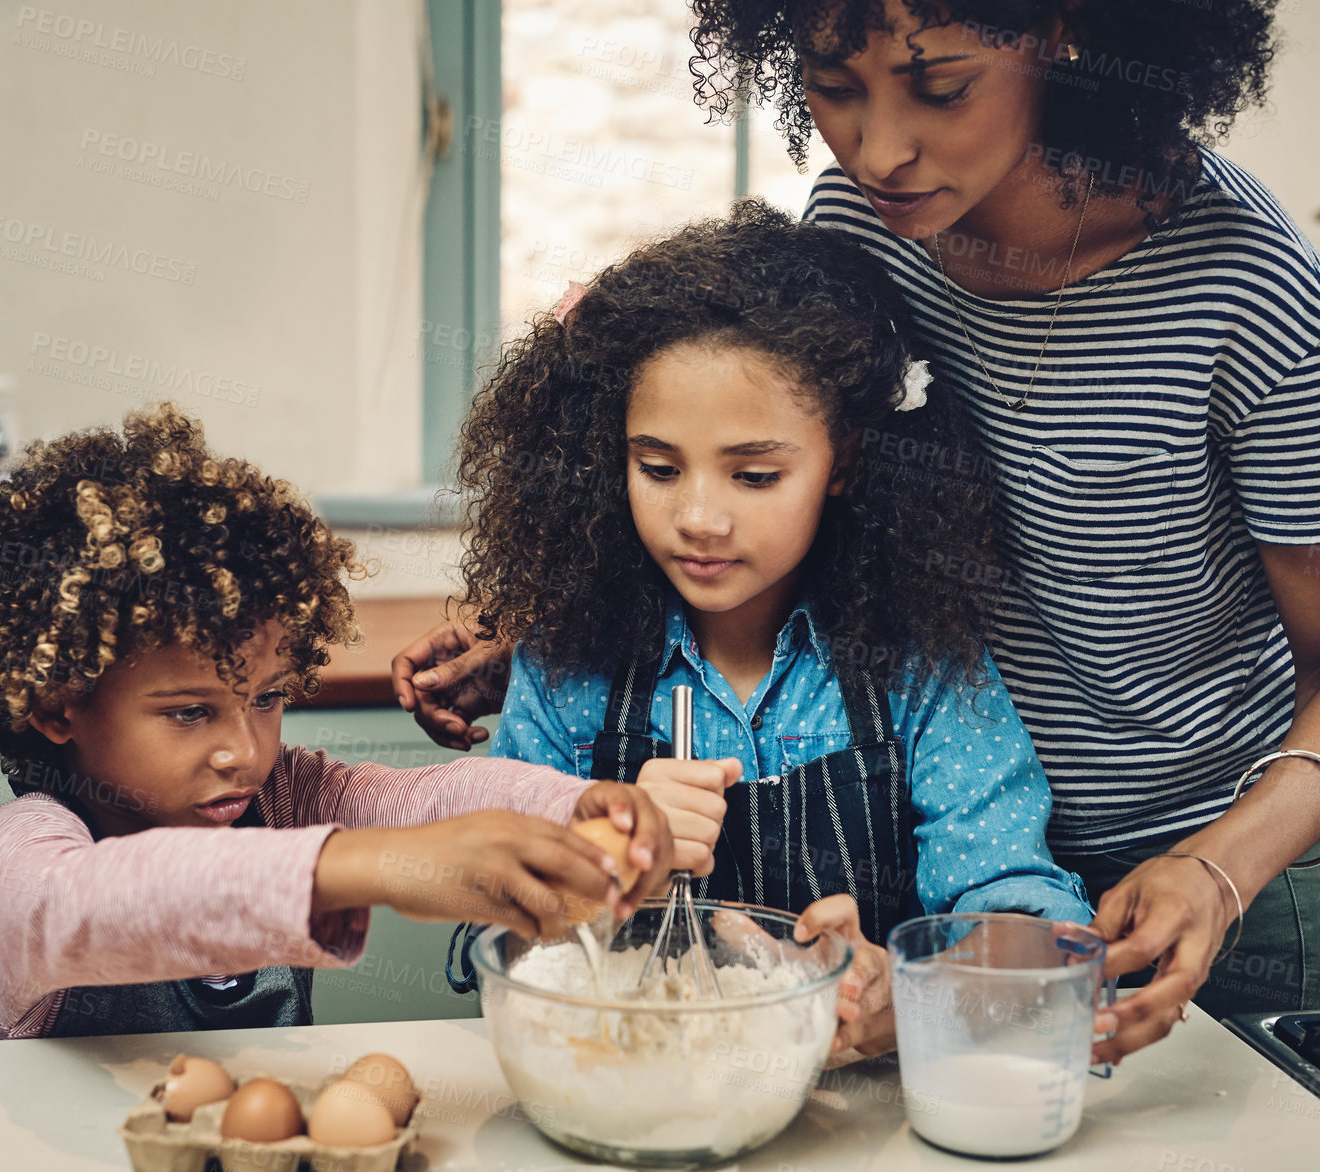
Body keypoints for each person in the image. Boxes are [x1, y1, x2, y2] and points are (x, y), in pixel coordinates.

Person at [395, 0, 1320, 1064]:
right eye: (833, 84)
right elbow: (774, 426)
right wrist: (584, 614)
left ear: (1062, 31)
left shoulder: (1248, 285)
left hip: (1203, 854)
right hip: (974, 862)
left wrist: (1215, 865)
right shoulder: (873, 208)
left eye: (941, 86)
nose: (878, 148)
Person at [447, 201, 1097, 1056]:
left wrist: (910, 991)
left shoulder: (917, 667)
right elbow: (488, 941)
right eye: (657, 468)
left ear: (846, 462)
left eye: (754, 475)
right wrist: (595, 862)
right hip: (633, 1088)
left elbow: (1022, 914)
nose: (699, 518)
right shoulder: (569, 669)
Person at [0, 404, 675, 1040]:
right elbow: (90, 905)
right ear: (54, 706)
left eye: (268, 698)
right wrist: (367, 867)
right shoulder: (11, 858)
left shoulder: (282, 798)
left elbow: (427, 800)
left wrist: (572, 808)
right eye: (188, 713)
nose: (243, 752)